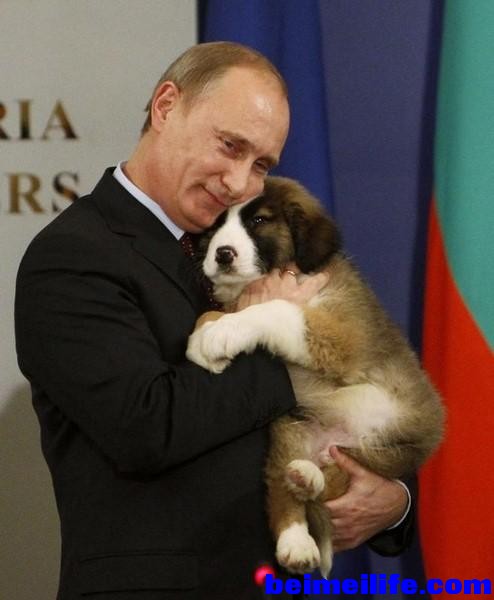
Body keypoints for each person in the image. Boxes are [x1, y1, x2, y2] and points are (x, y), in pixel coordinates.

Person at [15, 42, 412, 600]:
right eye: (230, 146)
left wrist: (392, 502)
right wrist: (274, 335)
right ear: (165, 106)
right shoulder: (74, 254)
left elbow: (358, 383)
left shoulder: (248, 244)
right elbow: (144, 428)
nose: (239, 182)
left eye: (261, 165)